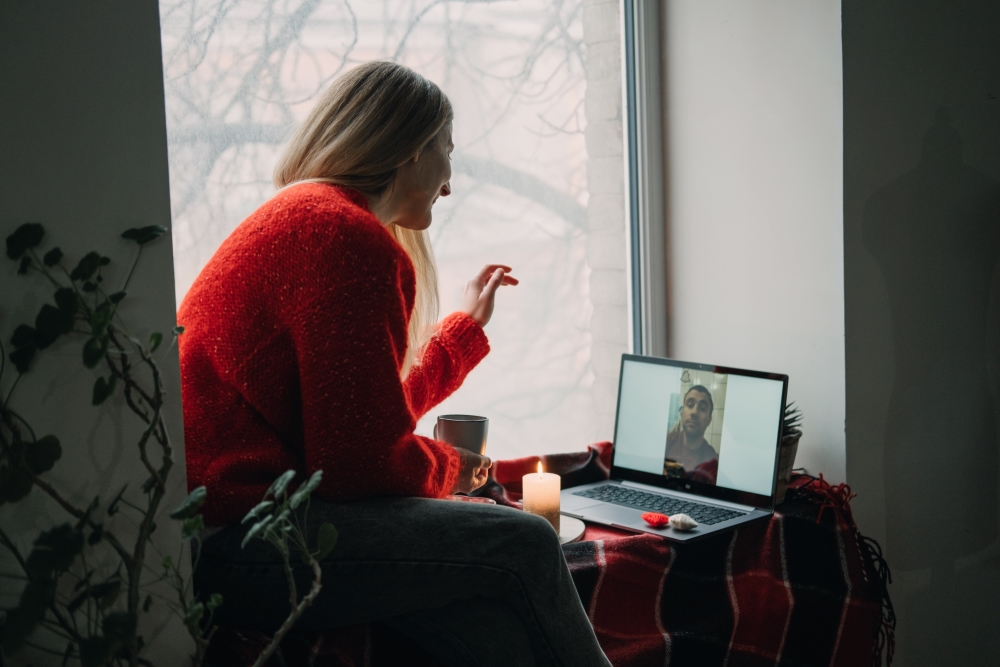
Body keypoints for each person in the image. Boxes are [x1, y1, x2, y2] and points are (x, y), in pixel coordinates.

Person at [178, 61, 612, 667]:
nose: (450, 182)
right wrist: (452, 471)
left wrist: (459, 336)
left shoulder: (306, 217)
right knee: (527, 537)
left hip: (225, 533)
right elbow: (359, 464)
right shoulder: (343, 237)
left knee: (483, 616)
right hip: (245, 541)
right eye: (447, 154)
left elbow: (356, 422)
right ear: (411, 150)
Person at [664, 385, 719, 484]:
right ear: (682, 412)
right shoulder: (667, 442)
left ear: (709, 420)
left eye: (702, 408)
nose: (694, 412)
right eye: (690, 405)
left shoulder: (712, 461)